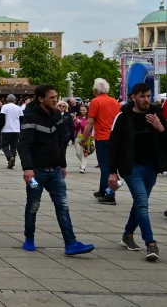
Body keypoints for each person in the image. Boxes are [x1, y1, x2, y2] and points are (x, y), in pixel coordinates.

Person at [18, 84, 95, 256]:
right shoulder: (31, 117)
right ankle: (29, 238)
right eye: (51, 97)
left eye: (55, 97)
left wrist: (63, 164)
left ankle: (71, 243)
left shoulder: (57, 115)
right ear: (41, 98)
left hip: (55, 170)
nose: (55, 100)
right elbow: (23, 145)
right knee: (33, 206)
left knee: (63, 207)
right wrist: (28, 168)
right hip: (37, 171)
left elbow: (60, 142)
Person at [108, 82, 165, 261]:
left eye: (148, 96)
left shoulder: (156, 114)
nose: (146, 100)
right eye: (142, 96)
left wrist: (161, 128)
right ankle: (151, 243)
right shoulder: (124, 117)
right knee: (141, 203)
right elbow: (113, 145)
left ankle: (128, 234)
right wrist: (112, 171)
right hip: (132, 168)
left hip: (152, 167)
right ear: (133, 97)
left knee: (141, 203)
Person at [84, 78, 122, 205]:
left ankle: (110, 195)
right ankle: (102, 191)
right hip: (115, 137)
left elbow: (90, 122)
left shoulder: (95, 101)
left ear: (95, 90)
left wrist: (84, 138)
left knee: (105, 166)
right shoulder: (115, 102)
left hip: (102, 137)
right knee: (108, 165)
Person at [0, 94, 23, 169]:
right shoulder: (18, 108)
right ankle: (12, 162)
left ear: (7, 99)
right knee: (13, 147)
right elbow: (22, 119)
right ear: (14, 100)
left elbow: (2, 117)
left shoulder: (4, 107)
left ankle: (10, 157)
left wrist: (0, 126)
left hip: (7, 129)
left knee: (4, 146)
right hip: (16, 130)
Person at [73, 105, 93, 173]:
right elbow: (75, 127)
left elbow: (86, 127)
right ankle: (83, 163)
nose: (82, 111)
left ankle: (82, 167)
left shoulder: (89, 119)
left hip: (86, 136)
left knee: (85, 152)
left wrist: (81, 122)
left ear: (87, 110)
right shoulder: (78, 117)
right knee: (78, 153)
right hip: (78, 136)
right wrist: (78, 123)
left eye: (84, 110)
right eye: (81, 110)